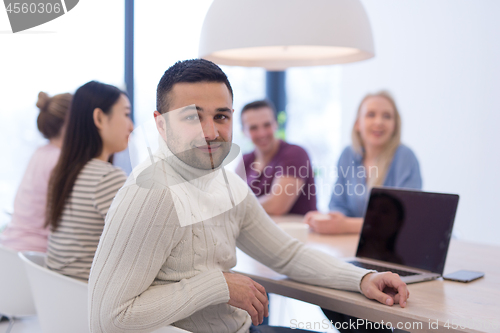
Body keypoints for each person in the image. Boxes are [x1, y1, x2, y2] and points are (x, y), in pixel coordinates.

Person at [88, 59, 409, 333]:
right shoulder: (152, 195)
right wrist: (219, 286)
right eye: (192, 117)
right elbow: (108, 318)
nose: (211, 132)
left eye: (221, 116)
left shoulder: (226, 185)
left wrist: (363, 278)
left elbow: (288, 255)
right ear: (160, 125)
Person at [44, 81, 133, 281]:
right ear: (100, 118)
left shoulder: (63, 173)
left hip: (59, 297)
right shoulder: (106, 178)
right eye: (126, 114)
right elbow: (141, 244)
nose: (131, 125)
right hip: (87, 301)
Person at [305, 91, 422, 235]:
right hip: (350, 242)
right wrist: (328, 219)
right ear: (357, 124)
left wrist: (346, 226)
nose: (379, 122)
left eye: (387, 116)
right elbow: (337, 204)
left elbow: (405, 217)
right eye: (371, 115)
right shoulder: (348, 154)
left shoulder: (405, 157)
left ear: (395, 126)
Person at [1, 92, 72, 252]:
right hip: (35, 254)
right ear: (71, 121)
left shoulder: (41, 152)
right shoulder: (61, 160)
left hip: (9, 247)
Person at [237, 100, 316, 216]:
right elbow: (231, 198)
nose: (262, 133)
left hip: (296, 232)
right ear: (244, 131)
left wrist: (238, 207)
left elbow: (277, 206)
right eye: (253, 128)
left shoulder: (295, 154)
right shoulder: (246, 160)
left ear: (276, 124)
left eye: (267, 125)